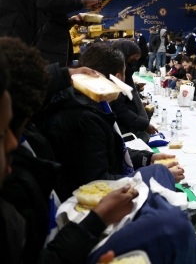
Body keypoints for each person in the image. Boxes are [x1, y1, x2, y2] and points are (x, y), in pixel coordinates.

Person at [0, 40, 147, 264]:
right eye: (2, 133)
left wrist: (147, 158)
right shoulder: (80, 117)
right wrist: (97, 221)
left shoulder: (36, 133)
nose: (10, 143)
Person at [40, 44, 183, 201]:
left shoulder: (87, 103)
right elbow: (97, 183)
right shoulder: (84, 117)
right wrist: (157, 175)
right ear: (118, 77)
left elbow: (105, 154)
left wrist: (146, 159)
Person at [109, 41, 158, 143]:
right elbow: (119, 108)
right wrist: (143, 124)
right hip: (125, 130)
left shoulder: (127, 72)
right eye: (134, 58)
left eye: (137, 59)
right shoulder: (118, 75)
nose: (135, 61)